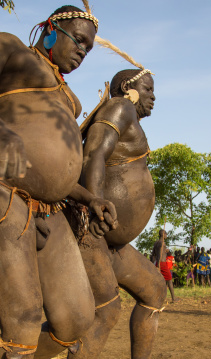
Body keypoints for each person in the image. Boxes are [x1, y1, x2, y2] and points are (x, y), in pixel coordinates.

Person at [0, 5, 118, 357]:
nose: (83, 50)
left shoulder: (69, 99)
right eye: (79, 40)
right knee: (23, 317)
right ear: (51, 29)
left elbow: (53, 171)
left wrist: (88, 198)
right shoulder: (9, 46)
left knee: (76, 318)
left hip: (45, 208)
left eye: (89, 47)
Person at [76, 66, 167, 358]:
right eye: (149, 89)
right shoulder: (119, 106)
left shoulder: (127, 116)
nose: (153, 96)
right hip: (92, 233)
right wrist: (96, 207)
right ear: (128, 87)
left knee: (154, 289)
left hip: (113, 243)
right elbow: (93, 154)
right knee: (105, 310)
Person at [152, 230, 178, 303]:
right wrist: (160, 265)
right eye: (166, 233)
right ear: (163, 234)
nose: (166, 235)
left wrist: (155, 264)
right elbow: (160, 255)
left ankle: (156, 298)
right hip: (162, 263)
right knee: (169, 279)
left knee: (158, 281)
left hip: (157, 262)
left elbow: (153, 254)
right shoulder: (162, 243)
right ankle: (174, 298)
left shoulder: (156, 243)